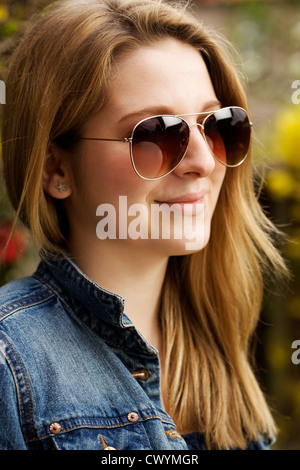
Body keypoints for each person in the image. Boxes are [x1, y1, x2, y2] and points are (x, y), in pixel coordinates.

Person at [0, 0, 287, 450]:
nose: (202, 161)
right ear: (56, 168)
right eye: (156, 134)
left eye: (216, 126)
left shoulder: (215, 341)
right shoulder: (8, 361)